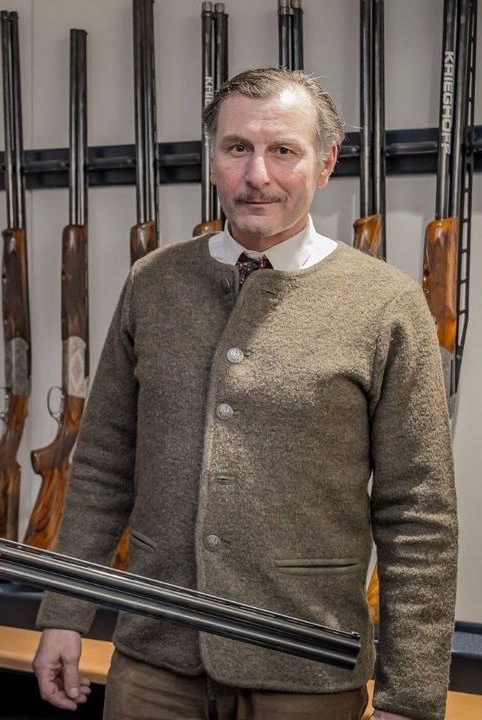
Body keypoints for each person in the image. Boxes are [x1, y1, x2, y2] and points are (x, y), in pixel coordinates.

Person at [31, 68, 457, 720]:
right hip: (154, 664)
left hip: (308, 670)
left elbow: (419, 515)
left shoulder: (387, 304)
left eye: (283, 150)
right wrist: (64, 611)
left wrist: (413, 697)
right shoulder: (154, 283)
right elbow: (100, 468)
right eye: (238, 149)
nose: (258, 174)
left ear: (325, 164)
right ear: (213, 160)